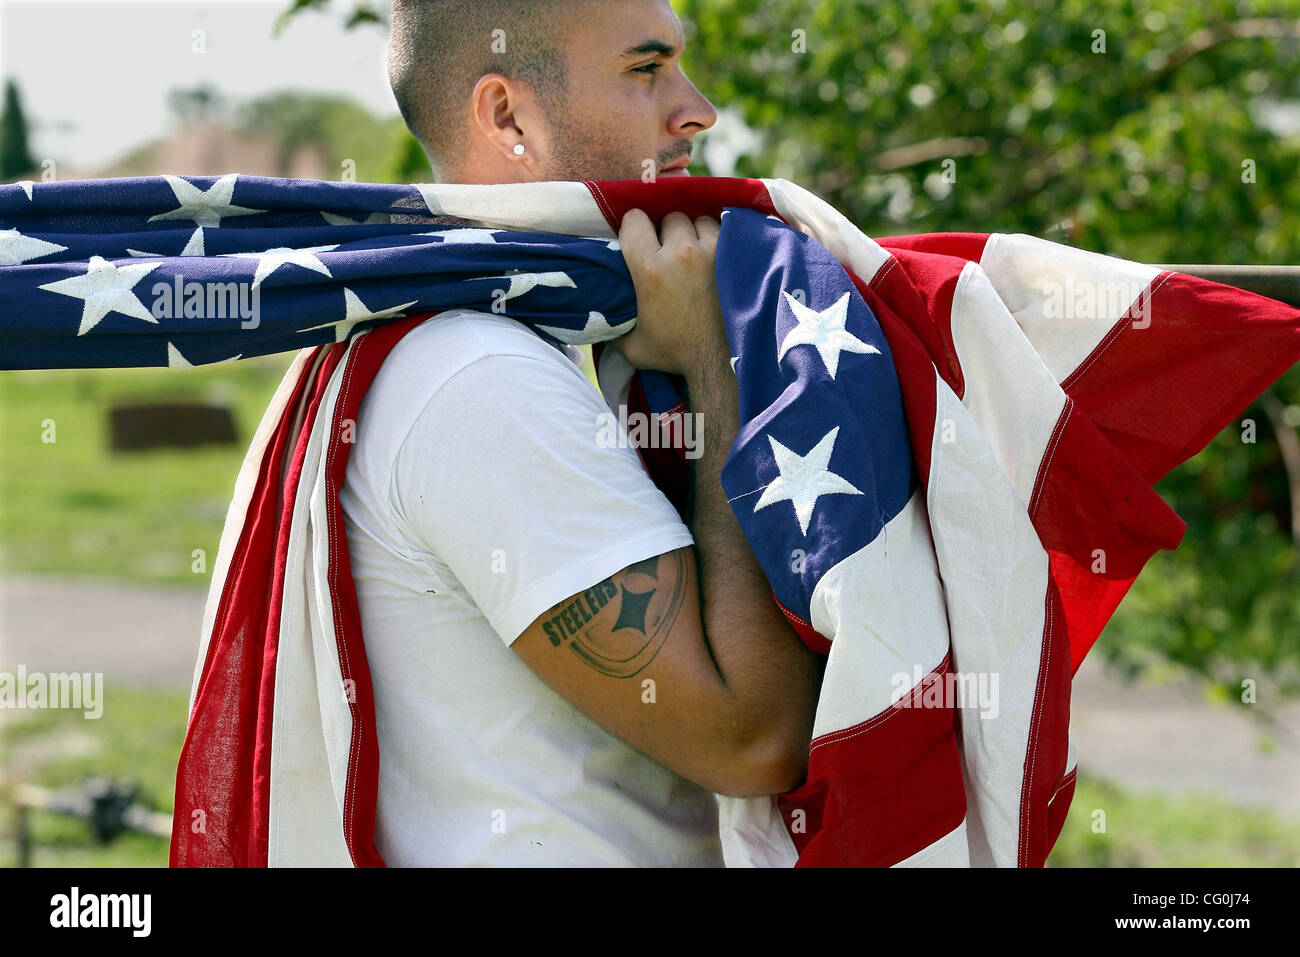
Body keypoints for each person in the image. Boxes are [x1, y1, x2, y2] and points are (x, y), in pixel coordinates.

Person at [337, 0, 821, 866]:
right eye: (646, 70)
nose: (698, 109)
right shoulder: (481, 373)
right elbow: (752, 740)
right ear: (507, 116)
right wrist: (714, 362)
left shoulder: (492, 333)